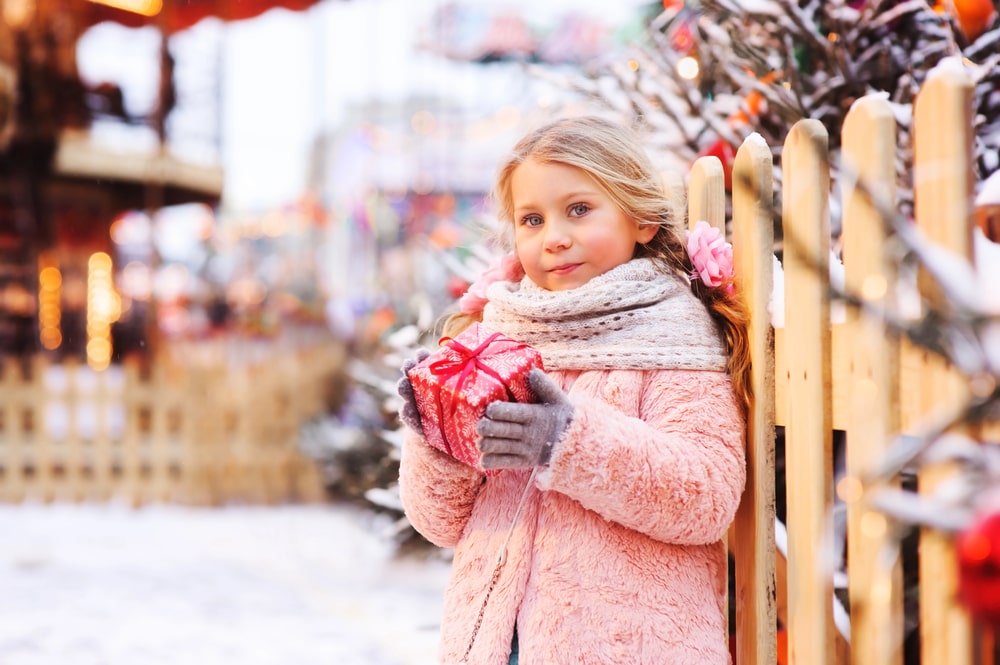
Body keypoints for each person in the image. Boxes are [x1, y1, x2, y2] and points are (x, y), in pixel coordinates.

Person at [396, 115, 751, 665]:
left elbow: (705, 496)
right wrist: (437, 437)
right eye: (531, 219)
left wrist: (569, 440)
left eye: (579, 210)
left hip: (630, 647)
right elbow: (439, 523)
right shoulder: (498, 336)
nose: (555, 237)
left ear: (640, 220)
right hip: (495, 645)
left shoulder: (671, 335)